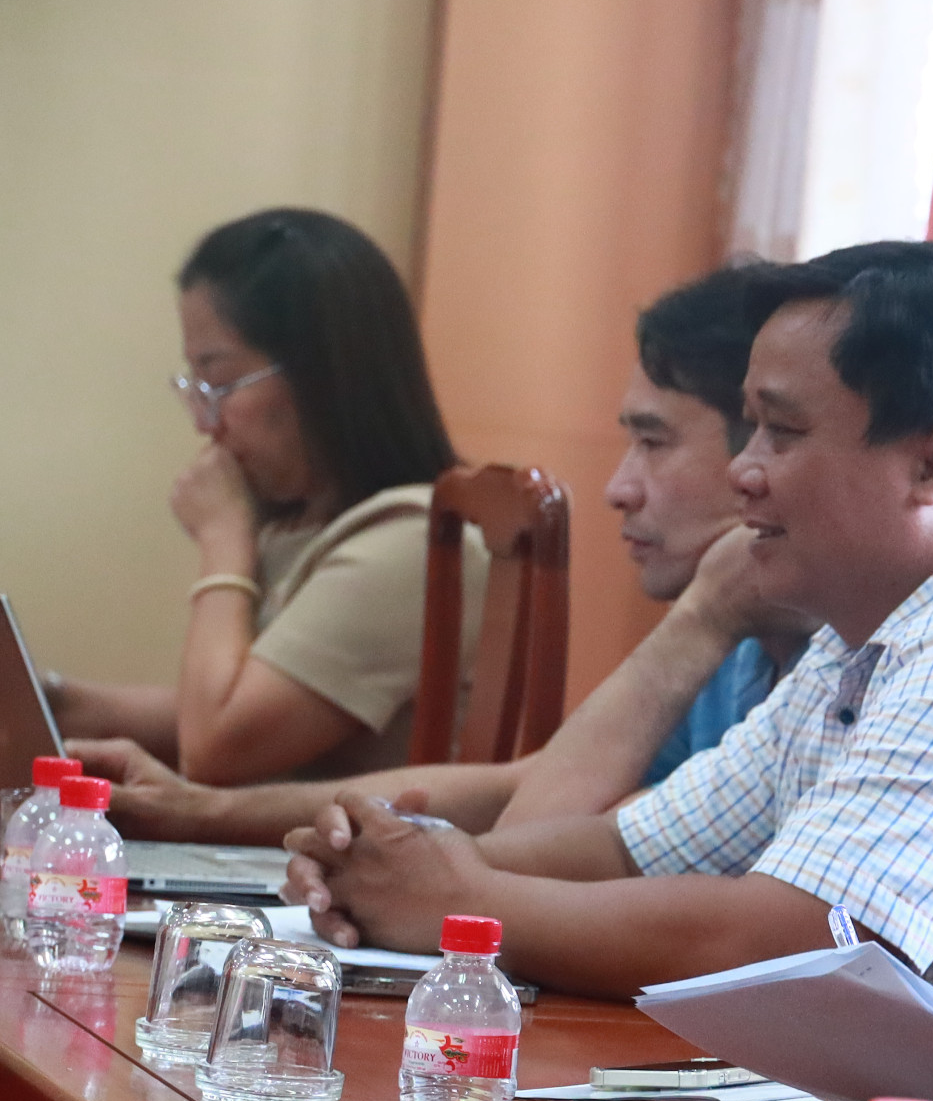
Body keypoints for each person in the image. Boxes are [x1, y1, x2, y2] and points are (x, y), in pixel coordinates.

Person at [284, 241, 933, 1005]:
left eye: (781, 433)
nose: (743, 471)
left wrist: (455, 902)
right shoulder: (865, 639)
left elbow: (776, 942)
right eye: (749, 428)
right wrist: (408, 863)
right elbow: (631, 850)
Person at [78, 263, 812, 850]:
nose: (617, 489)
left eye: (653, 442)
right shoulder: (732, 646)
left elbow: (217, 745)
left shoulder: (824, 661)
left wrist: (222, 541)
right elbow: (527, 791)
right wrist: (199, 811)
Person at [49, 208, 483, 784]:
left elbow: (214, 748)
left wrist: (223, 542)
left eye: (221, 383)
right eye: (196, 387)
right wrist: (52, 700)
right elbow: (218, 707)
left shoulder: (414, 545)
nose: (205, 423)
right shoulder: (304, 527)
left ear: (320, 373)